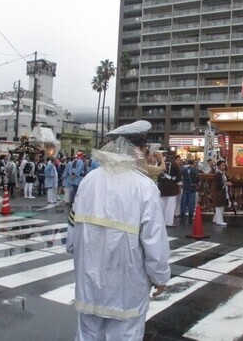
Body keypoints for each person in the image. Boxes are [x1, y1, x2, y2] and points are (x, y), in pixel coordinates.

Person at [66, 120, 170, 340]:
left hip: (89, 279)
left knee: (88, 334)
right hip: (127, 284)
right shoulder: (144, 187)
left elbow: (72, 234)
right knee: (125, 335)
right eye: (145, 150)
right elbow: (154, 241)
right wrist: (160, 277)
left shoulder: (88, 181)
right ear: (138, 151)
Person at [158, 155, 182, 227]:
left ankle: (160, 221)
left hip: (162, 187)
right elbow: (178, 176)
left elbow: (159, 176)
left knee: (162, 205)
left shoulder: (161, 163)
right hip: (172, 187)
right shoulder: (175, 164)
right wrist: (179, 185)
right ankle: (168, 222)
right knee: (170, 205)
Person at [212, 160, 232, 227]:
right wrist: (226, 183)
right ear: (218, 166)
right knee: (219, 206)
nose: (224, 166)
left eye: (224, 165)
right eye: (222, 165)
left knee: (221, 205)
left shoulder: (224, 174)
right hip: (219, 192)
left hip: (223, 191)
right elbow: (218, 185)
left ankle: (215, 219)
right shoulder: (217, 175)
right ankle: (219, 221)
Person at [180, 159, 199, 223]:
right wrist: (196, 183)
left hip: (185, 187)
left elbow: (181, 175)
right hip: (192, 187)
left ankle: (182, 215)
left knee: (183, 203)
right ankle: (190, 216)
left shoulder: (184, 169)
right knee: (191, 203)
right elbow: (198, 177)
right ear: (193, 163)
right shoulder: (195, 170)